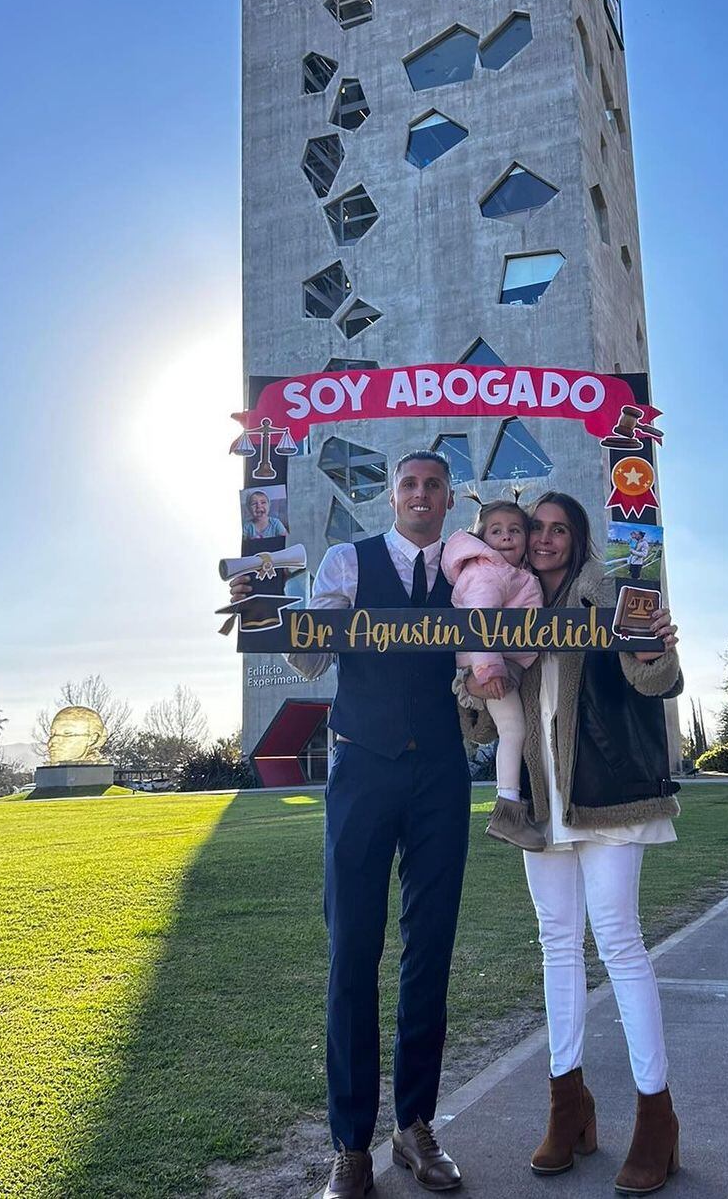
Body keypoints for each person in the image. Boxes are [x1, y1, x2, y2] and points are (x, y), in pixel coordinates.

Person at [230, 451, 472, 1199]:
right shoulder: (346, 559)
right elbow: (307, 660)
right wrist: (268, 612)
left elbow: (509, 643)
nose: (422, 495)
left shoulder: (471, 573)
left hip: (441, 772)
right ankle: (350, 1145)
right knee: (352, 953)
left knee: (429, 952)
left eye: (434, 484)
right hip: (362, 769)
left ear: (450, 496)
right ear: (391, 495)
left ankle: (415, 1127)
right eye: (409, 484)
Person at [463, 491, 682, 1195]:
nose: (547, 539)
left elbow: (657, 679)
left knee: (618, 940)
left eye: (561, 529)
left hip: (611, 792)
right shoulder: (510, 608)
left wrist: (655, 649)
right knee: (557, 943)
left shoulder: (612, 595)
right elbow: (485, 723)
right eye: (538, 530)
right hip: (542, 805)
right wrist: (473, 681)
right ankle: (568, 1104)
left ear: (580, 538)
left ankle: (656, 1117)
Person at [441, 498, 545, 851]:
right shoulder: (487, 572)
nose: (506, 536)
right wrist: (488, 669)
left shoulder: (513, 571)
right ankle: (508, 812)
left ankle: (513, 806)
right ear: (482, 537)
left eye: (515, 530)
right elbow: (479, 620)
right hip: (486, 663)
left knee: (516, 729)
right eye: (496, 530)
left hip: (502, 661)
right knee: (514, 729)